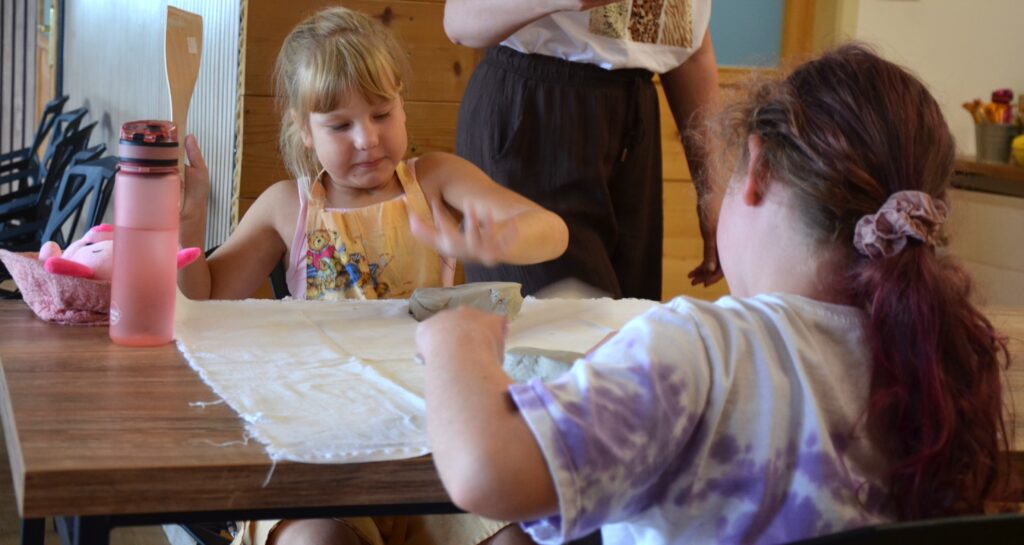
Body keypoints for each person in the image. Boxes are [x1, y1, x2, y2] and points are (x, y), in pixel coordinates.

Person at [414, 44, 1016, 545]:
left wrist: (457, 344)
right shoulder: (944, 356)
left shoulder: (699, 351)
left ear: (756, 169)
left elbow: (484, 472)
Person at [178, 6, 567, 545]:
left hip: (434, 437)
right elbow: (201, 300)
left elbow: (552, 231)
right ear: (304, 130)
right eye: (340, 125)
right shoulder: (286, 206)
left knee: (515, 536)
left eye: (382, 113)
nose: (367, 139)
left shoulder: (435, 181)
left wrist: (505, 238)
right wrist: (189, 220)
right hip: (322, 444)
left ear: (402, 104)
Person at [444, 0, 723, 300]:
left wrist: (714, 185)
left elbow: (690, 45)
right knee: (558, 324)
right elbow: (460, 20)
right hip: (532, 119)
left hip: (635, 126)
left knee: (630, 323)